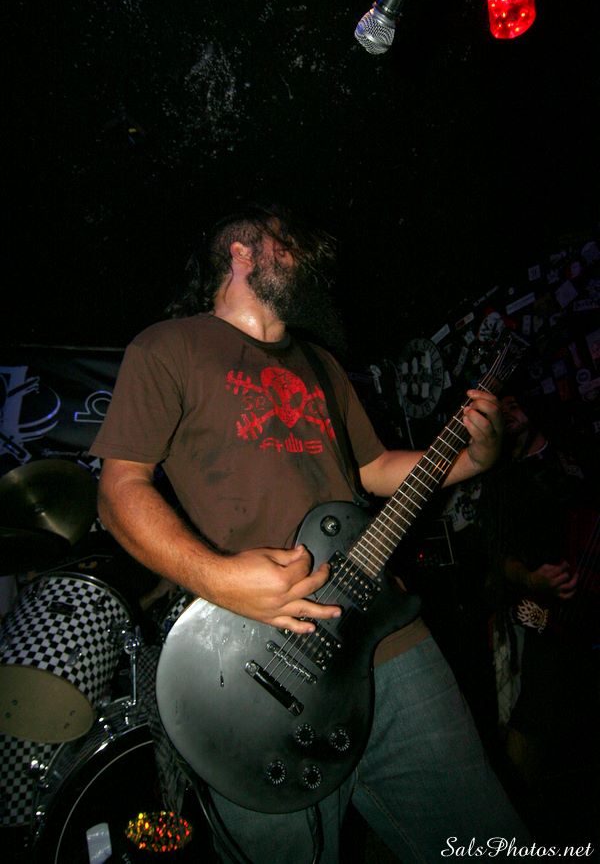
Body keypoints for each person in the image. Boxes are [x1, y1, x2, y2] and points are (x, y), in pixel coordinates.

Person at [90, 203, 529, 863]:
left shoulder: (321, 364)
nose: (308, 262)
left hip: (388, 642)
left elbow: (375, 470)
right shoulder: (169, 346)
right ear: (242, 252)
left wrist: (474, 458)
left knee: (488, 842)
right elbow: (120, 488)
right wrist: (220, 579)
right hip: (255, 666)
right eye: (289, 245)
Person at [478, 393, 599, 846]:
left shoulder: (574, 456)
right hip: (536, 614)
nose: (509, 412)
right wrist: (531, 578)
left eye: (515, 402)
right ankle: (509, 830)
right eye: (501, 407)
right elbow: (493, 556)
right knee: (530, 714)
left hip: (589, 609)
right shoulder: (500, 478)